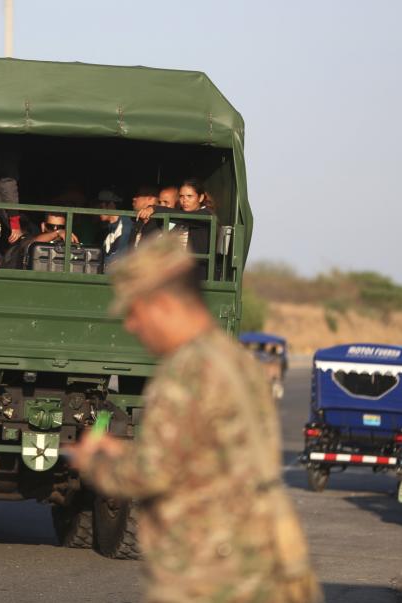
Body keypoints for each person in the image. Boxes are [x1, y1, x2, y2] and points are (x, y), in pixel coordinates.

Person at [70, 235, 321, 603]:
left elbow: (153, 473)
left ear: (163, 303)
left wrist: (97, 462)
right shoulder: (236, 360)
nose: (131, 327)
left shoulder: (184, 373)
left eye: (134, 313)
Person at [98, 198, 133, 264]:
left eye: (101, 207)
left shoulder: (125, 224)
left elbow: (120, 255)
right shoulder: (108, 226)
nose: (98, 211)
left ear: (111, 205)